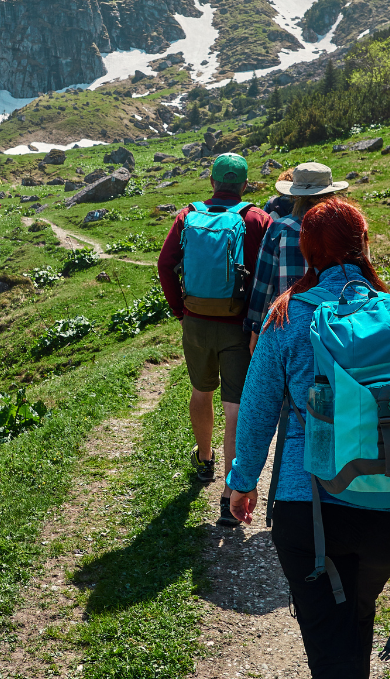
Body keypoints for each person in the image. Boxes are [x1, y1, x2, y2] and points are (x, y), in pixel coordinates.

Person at [227, 198, 390, 679]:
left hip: (312, 508)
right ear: (363, 245)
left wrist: (242, 482)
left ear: (308, 251)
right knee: (356, 619)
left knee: (328, 645)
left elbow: (257, 410)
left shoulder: (288, 316)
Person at [156, 152, 272, 525]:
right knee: (235, 408)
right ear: (243, 184)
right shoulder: (255, 218)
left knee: (200, 391)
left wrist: (181, 310)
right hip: (239, 326)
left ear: (212, 183)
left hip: (196, 321)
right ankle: (228, 494)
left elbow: (164, 264)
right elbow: (265, 274)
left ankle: (204, 460)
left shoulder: (188, 215)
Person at [244, 162, 347, 354]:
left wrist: (255, 330)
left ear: (296, 195)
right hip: (339, 324)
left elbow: (263, 284)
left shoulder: (281, 229)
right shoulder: (346, 228)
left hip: (289, 323)